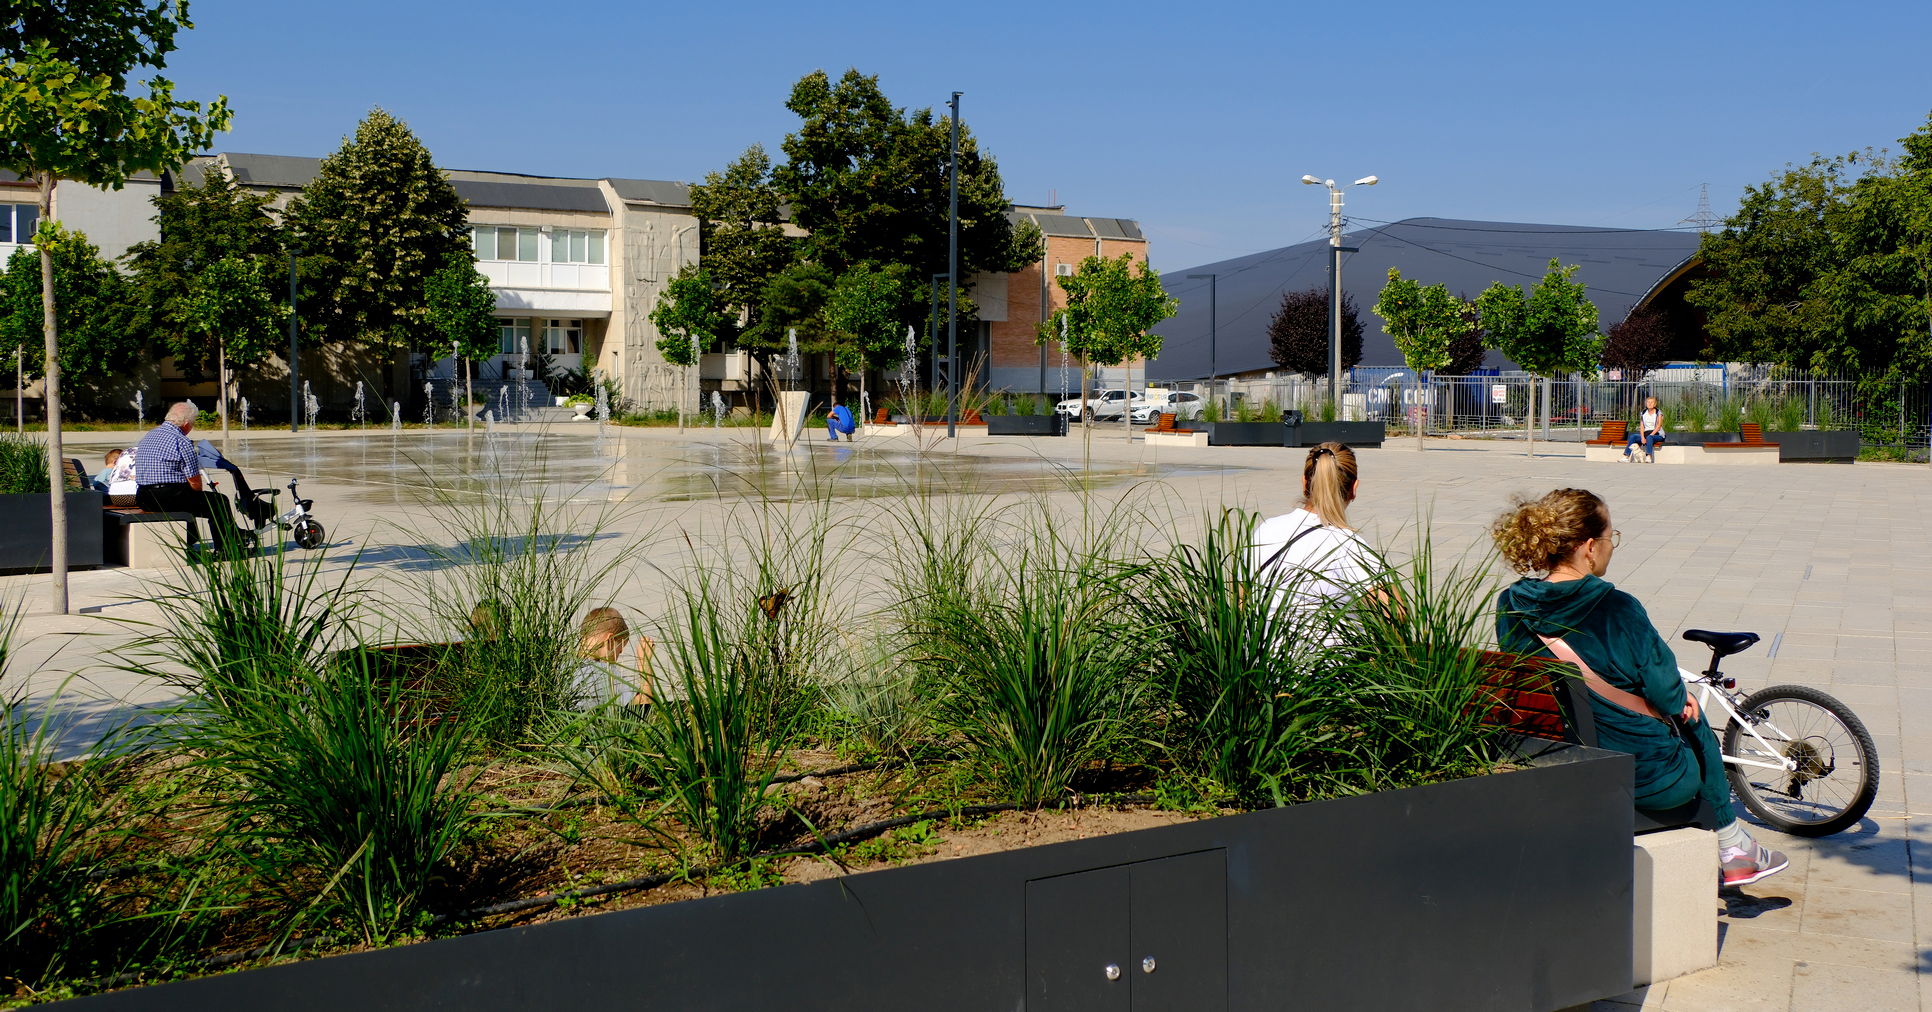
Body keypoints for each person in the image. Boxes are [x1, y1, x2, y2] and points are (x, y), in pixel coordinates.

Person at [1491, 488, 1786, 887]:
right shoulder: (1617, 606)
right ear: (1590, 547)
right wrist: (1679, 701)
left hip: (1557, 760)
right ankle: (1734, 846)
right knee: (1693, 719)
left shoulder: (1511, 603)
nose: (1613, 546)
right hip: (1643, 776)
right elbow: (1665, 694)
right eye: (1612, 537)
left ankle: (1737, 847)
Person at [1249, 442, 1380, 635]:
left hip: (1264, 662)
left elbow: (1243, 598)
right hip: (1334, 663)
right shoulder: (1348, 544)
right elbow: (1396, 613)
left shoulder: (1265, 530)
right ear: (1354, 488)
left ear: (1304, 483)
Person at [133, 401, 239, 554]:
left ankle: (191, 538)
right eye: (193, 423)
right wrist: (196, 493)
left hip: (144, 497)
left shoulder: (149, 435)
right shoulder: (181, 440)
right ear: (187, 423)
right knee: (218, 502)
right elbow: (194, 481)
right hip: (168, 497)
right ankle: (226, 549)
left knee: (190, 500)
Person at [572, 606, 654, 709]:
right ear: (610, 640)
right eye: (619, 651)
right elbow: (645, 702)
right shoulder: (606, 673)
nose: (618, 656)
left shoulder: (561, 669)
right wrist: (644, 661)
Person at [1624, 396, 1665, 462]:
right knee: (1633, 436)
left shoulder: (1658, 413)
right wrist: (1643, 437)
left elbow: (1658, 426)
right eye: (1648, 402)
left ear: (1655, 404)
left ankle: (1648, 456)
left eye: (1652, 402)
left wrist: (1650, 435)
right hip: (1646, 434)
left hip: (1657, 434)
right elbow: (1642, 426)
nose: (1650, 404)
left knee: (1649, 437)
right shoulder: (1643, 413)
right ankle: (1626, 456)